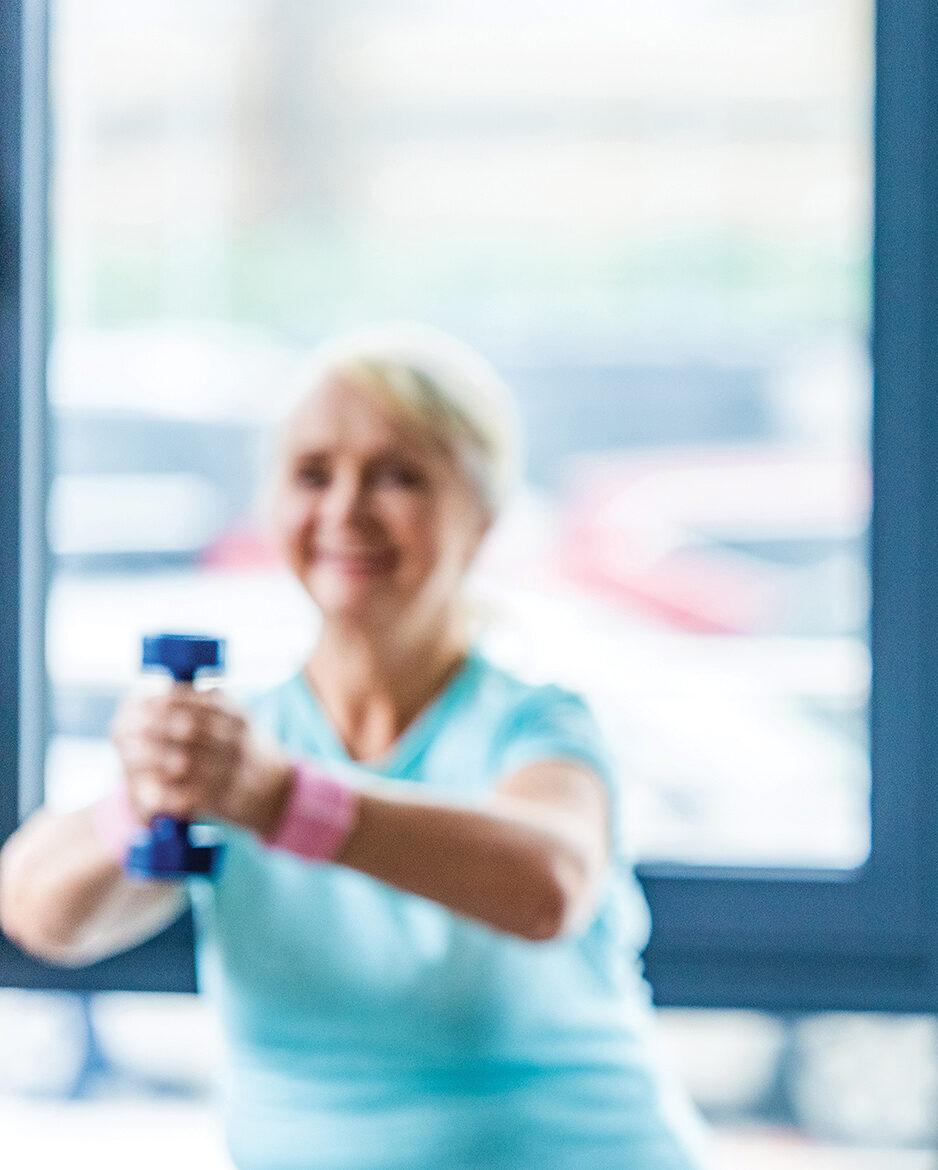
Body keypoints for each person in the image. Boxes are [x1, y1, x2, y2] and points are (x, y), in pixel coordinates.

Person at [0, 327, 709, 1170]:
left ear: (480, 516)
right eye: (313, 474)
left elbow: (546, 884)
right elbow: (39, 911)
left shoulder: (533, 725)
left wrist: (281, 800)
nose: (346, 509)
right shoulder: (238, 750)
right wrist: (146, 794)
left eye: (399, 476)